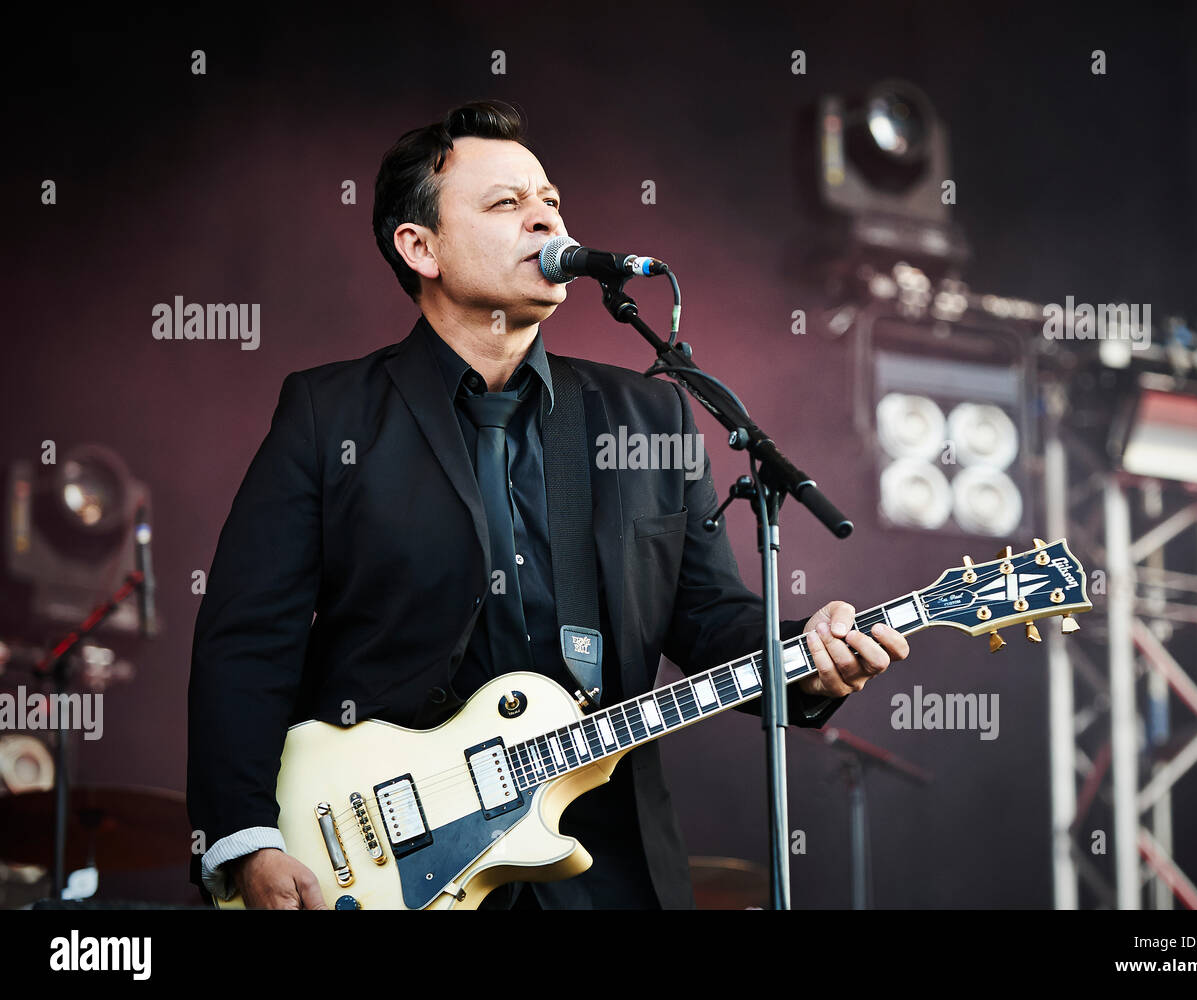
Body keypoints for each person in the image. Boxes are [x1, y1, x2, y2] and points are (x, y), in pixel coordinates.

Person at [186, 100, 909, 910]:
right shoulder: (332, 415)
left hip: (604, 873)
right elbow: (248, 638)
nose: (543, 218)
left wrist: (809, 657)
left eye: (550, 201)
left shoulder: (649, 414)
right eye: (505, 204)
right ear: (418, 246)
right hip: (383, 863)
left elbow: (709, 618)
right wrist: (246, 837)